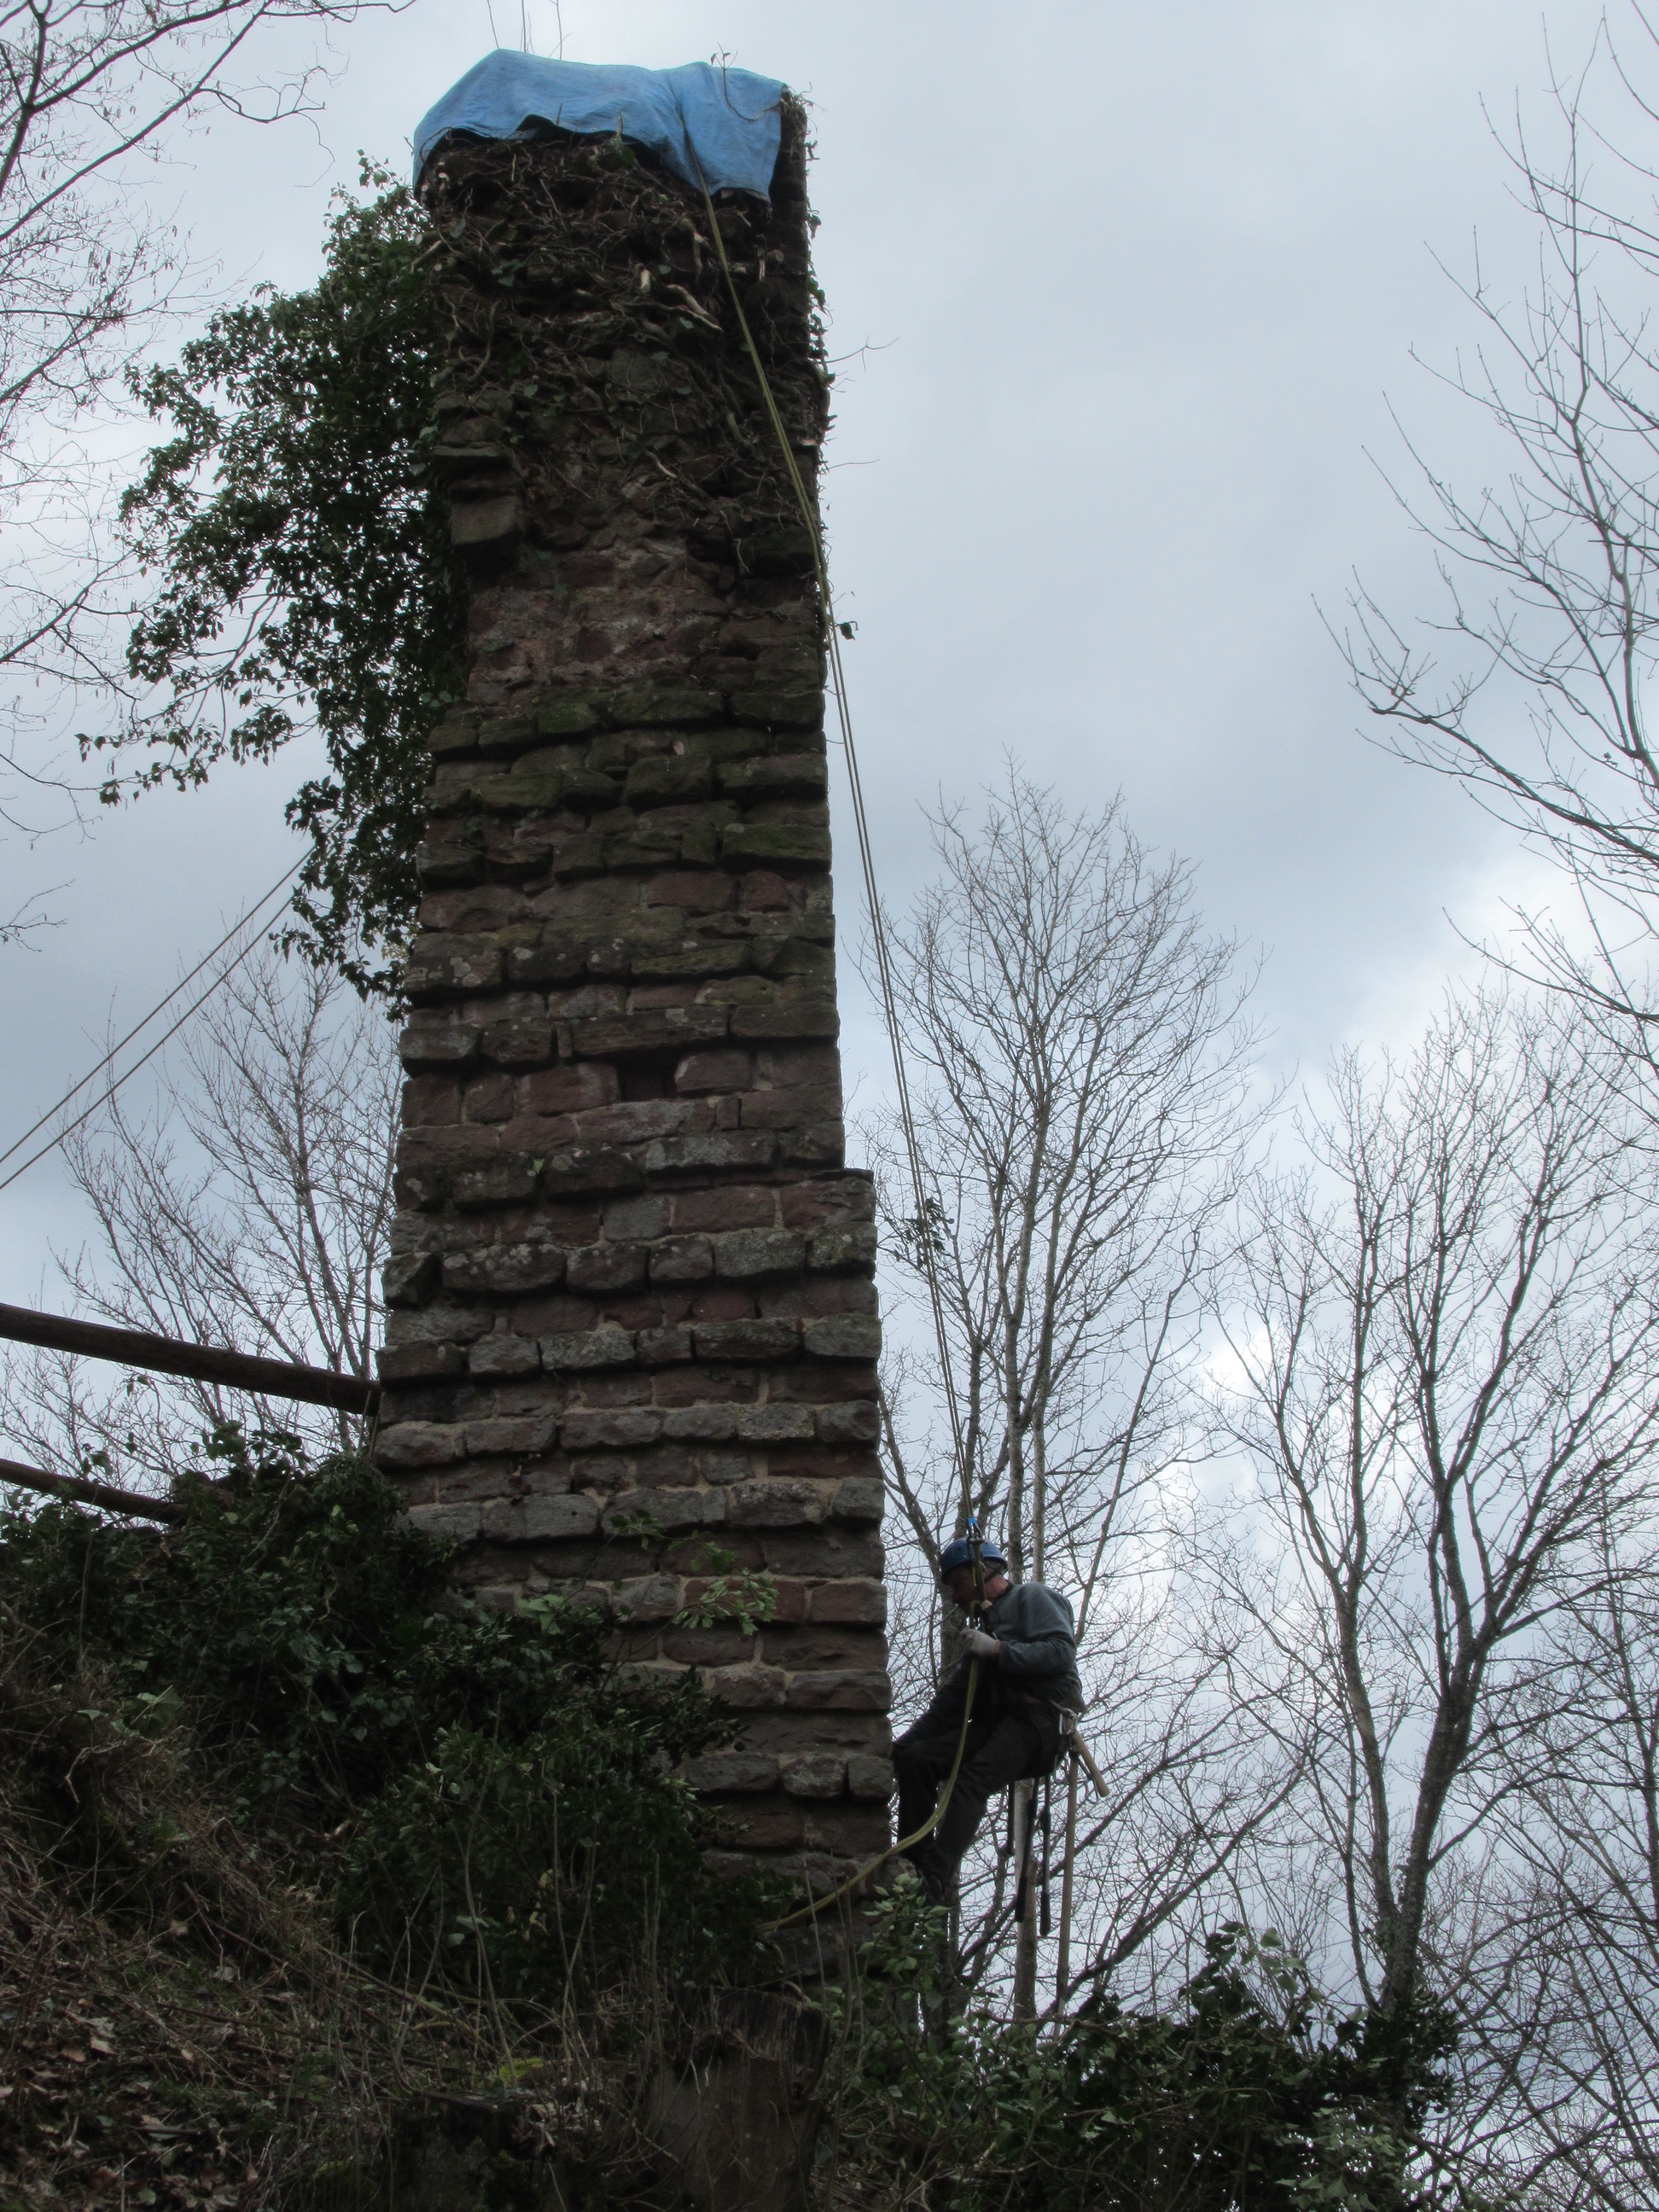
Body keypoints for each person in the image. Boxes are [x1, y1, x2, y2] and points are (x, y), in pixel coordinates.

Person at [894, 1536, 1082, 1902]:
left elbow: (1060, 1652)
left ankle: (933, 1880)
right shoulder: (982, 1634)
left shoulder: (1031, 1598)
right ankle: (910, 1866)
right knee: (917, 1762)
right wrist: (899, 1751)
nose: (954, 1597)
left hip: (1041, 1722)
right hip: (999, 1725)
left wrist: (998, 1650)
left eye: (957, 1584)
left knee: (971, 1781)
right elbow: (949, 1706)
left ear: (981, 1572)